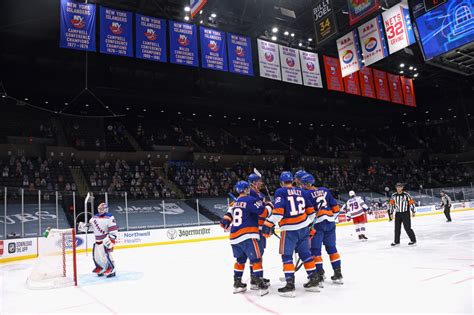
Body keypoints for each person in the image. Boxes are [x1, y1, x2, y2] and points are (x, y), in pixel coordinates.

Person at [262, 171, 320, 297]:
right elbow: (312, 214)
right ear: (293, 181)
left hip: (289, 231)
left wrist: (268, 224)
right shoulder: (303, 192)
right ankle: (314, 280)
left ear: (282, 182)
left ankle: (290, 285)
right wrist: (307, 225)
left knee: (286, 256)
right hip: (303, 229)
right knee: (306, 254)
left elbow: (278, 213)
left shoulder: (280, 191)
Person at [220, 181, 269, 296]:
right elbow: (263, 212)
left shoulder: (234, 203)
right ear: (247, 190)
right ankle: (259, 284)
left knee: (240, 261)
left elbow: (226, 220)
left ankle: (237, 284)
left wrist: (225, 223)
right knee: (256, 259)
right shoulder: (250, 200)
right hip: (248, 235)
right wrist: (269, 205)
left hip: (234, 237)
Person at [300, 173, 343, 285]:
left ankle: (320, 274)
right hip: (330, 223)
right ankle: (338, 274)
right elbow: (336, 208)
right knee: (332, 248)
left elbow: (307, 211)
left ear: (307, 184)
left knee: (315, 251)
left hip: (317, 224)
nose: (302, 186)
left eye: (303, 184)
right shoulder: (325, 190)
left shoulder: (306, 193)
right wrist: (330, 218)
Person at [247, 173, 272, 289]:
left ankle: (258, 276)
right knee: (255, 254)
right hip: (255, 228)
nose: (261, 183)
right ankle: (254, 279)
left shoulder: (260, 194)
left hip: (262, 227)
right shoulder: (250, 194)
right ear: (253, 183)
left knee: (260, 253)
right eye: (259, 181)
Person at [89, 202, 118, 277]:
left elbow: (113, 229)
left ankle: (111, 269)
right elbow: (92, 227)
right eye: (99, 209)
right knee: (97, 256)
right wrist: (86, 227)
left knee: (106, 255)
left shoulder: (110, 217)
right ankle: (101, 267)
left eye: (102, 209)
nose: (101, 210)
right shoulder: (94, 217)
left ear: (106, 209)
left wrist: (112, 238)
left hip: (105, 240)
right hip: (97, 240)